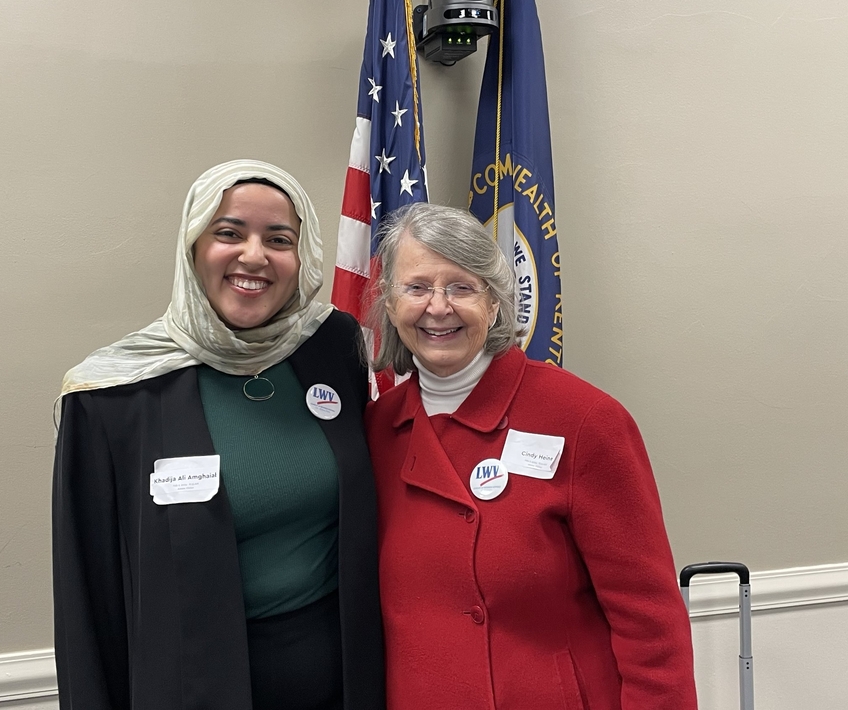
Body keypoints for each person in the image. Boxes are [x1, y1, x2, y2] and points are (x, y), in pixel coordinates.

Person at [53, 160, 384, 710]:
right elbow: (89, 600)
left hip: (346, 679)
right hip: (192, 685)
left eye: (279, 239)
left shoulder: (332, 347)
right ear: (193, 246)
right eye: (228, 233)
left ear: (301, 258)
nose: (254, 256)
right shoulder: (111, 397)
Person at [364, 203, 697, 710]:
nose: (438, 307)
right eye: (416, 287)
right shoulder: (376, 430)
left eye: (460, 287)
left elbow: (649, 619)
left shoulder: (584, 419)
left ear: (495, 303)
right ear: (389, 304)